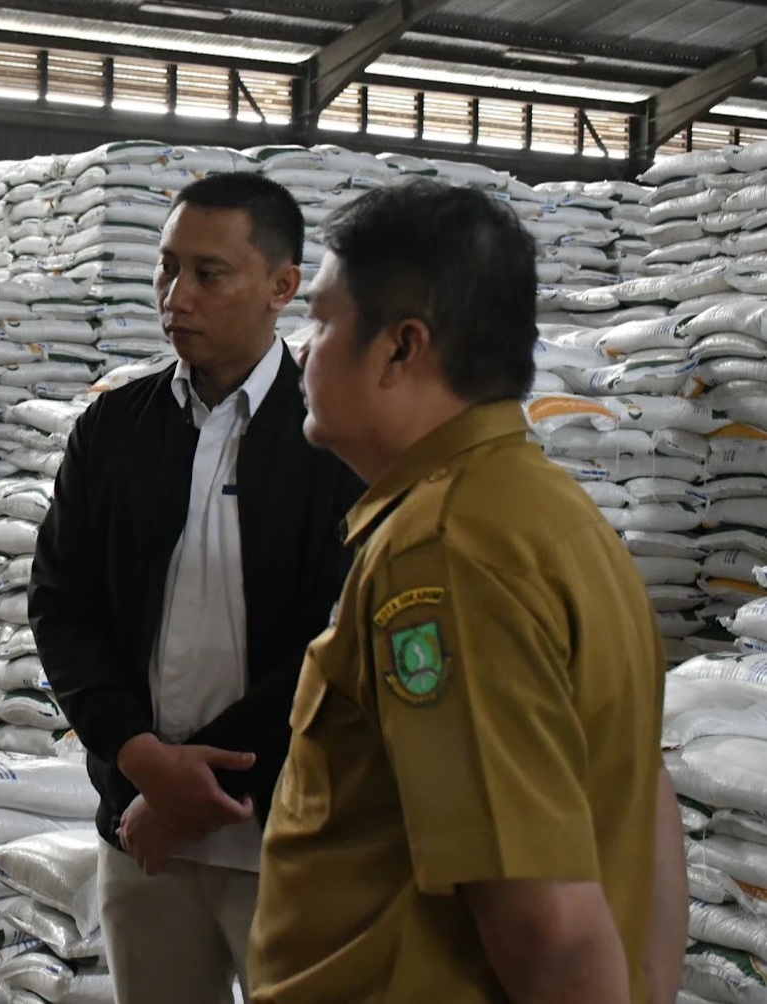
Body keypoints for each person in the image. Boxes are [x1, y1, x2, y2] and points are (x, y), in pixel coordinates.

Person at [249, 179, 689, 1004]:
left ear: (400, 348)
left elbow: (549, 933)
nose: (301, 348)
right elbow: (646, 808)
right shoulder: (551, 516)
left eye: (320, 318)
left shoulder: (444, 558)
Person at [27, 172, 362, 1004]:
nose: (177, 296)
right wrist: (140, 760)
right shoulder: (115, 430)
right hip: (144, 842)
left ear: (284, 287)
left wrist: (197, 793)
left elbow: (340, 639)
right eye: (166, 268)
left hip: (287, 843)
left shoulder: (336, 441)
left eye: (209, 274)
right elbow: (62, 607)